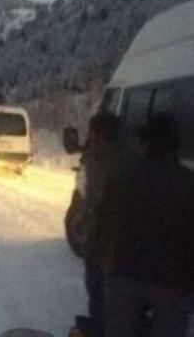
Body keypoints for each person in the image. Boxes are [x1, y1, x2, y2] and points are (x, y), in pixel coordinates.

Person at [98, 113, 194, 337]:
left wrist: (105, 261)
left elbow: (103, 224)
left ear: (146, 143)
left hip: (125, 273)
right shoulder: (188, 182)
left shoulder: (123, 177)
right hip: (173, 283)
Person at [71, 112, 126, 337]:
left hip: (103, 236)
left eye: (91, 132)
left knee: (98, 287)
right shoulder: (130, 155)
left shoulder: (99, 157)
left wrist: (80, 221)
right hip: (123, 236)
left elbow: (95, 199)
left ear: (97, 133)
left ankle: (101, 328)